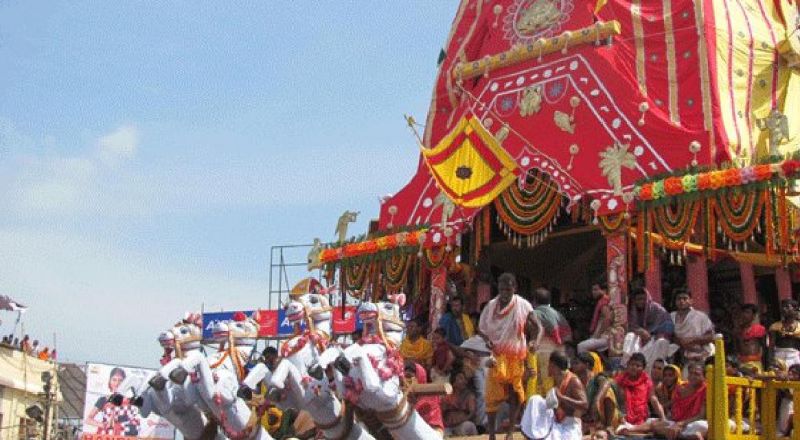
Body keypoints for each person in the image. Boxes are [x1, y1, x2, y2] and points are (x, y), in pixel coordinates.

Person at [479, 272, 541, 440]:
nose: (505, 293)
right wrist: (487, 341)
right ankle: (491, 434)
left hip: (516, 356)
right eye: (502, 290)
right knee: (491, 398)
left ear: (515, 288)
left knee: (515, 395)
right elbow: (482, 329)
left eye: (508, 289)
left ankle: (509, 433)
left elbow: (538, 327)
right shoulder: (491, 306)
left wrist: (535, 340)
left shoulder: (523, 305)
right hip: (496, 357)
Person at [520, 351, 588, 440]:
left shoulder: (573, 381)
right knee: (535, 399)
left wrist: (561, 397)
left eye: (549, 365)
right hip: (554, 422)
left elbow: (585, 405)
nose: (547, 367)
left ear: (553, 366)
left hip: (570, 425)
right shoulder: (554, 379)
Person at [623, 288, 677, 371]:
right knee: (630, 336)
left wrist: (654, 334)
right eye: (638, 299)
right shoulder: (633, 311)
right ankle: (628, 363)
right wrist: (640, 331)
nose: (641, 302)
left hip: (657, 338)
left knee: (661, 342)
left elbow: (667, 325)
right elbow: (631, 327)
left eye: (643, 299)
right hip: (641, 339)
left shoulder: (657, 309)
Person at [610, 353, 666, 434]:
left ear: (643, 368)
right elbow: (612, 400)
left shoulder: (647, 381)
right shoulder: (619, 380)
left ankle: (632, 429)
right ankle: (629, 429)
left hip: (641, 421)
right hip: (623, 420)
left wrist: (663, 418)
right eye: (632, 364)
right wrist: (620, 416)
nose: (634, 368)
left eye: (638, 366)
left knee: (657, 424)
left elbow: (654, 400)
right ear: (628, 365)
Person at [532, 286, 572, 393]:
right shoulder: (557, 314)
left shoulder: (535, 313)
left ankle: (547, 405)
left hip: (543, 351)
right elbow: (567, 334)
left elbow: (534, 332)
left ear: (534, 301)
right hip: (560, 351)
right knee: (560, 379)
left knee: (543, 381)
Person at [84, 367, 140, 436]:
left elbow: (136, 422)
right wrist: (104, 425)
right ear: (110, 382)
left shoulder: (131, 401)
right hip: (107, 436)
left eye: (120, 380)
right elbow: (88, 419)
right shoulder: (104, 400)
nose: (117, 383)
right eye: (114, 380)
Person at [573, 352, 621, 433]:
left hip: (603, 416)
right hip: (587, 419)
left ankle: (609, 426)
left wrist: (597, 400)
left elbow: (606, 383)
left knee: (608, 392)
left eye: (576, 363)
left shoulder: (597, 378)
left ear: (587, 365)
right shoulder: (576, 382)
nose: (573, 366)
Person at [671, 289, 714, 366]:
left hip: (700, 354)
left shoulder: (700, 316)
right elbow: (670, 335)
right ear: (675, 302)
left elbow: (711, 336)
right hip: (679, 354)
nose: (682, 301)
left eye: (685, 298)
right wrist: (683, 343)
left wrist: (692, 340)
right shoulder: (671, 317)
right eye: (679, 299)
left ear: (691, 301)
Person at [404, 360, 444, 436]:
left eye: (409, 377)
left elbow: (437, 431)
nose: (406, 382)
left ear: (420, 377)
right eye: (404, 377)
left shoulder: (430, 399)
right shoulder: (398, 399)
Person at [577, 281, 611, 354]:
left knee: (581, 346)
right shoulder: (601, 301)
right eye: (592, 290)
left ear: (604, 291)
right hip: (602, 336)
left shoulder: (604, 301)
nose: (593, 292)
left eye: (596, 290)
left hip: (605, 337)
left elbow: (607, 318)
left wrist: (597, 335)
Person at [442, 370, 479, 436]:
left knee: (469, 426)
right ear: (454, 381)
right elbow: (441, 412)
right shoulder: (447, 396)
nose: (464, 381)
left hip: (462, 424)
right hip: (448, 426)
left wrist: (462, 420)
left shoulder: (469, 396)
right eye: (460, 378)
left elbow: (472, 413)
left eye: (464, 379)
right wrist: (445, 423)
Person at [769, 299, 800, 368]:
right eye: (783, 307)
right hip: (779, 356)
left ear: (795, 309)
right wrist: (771, 362)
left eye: (787, 307)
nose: (783, 309)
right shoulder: (775, 326)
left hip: (795, 357)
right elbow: (771, 346)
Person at [738, 303, 766, 371]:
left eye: (747, 312)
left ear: (753, 316)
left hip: (755, 363)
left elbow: (765, 348)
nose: (744, 315)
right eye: (743, 312)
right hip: (741, 363)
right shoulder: (737, 331)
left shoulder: (760, 329)